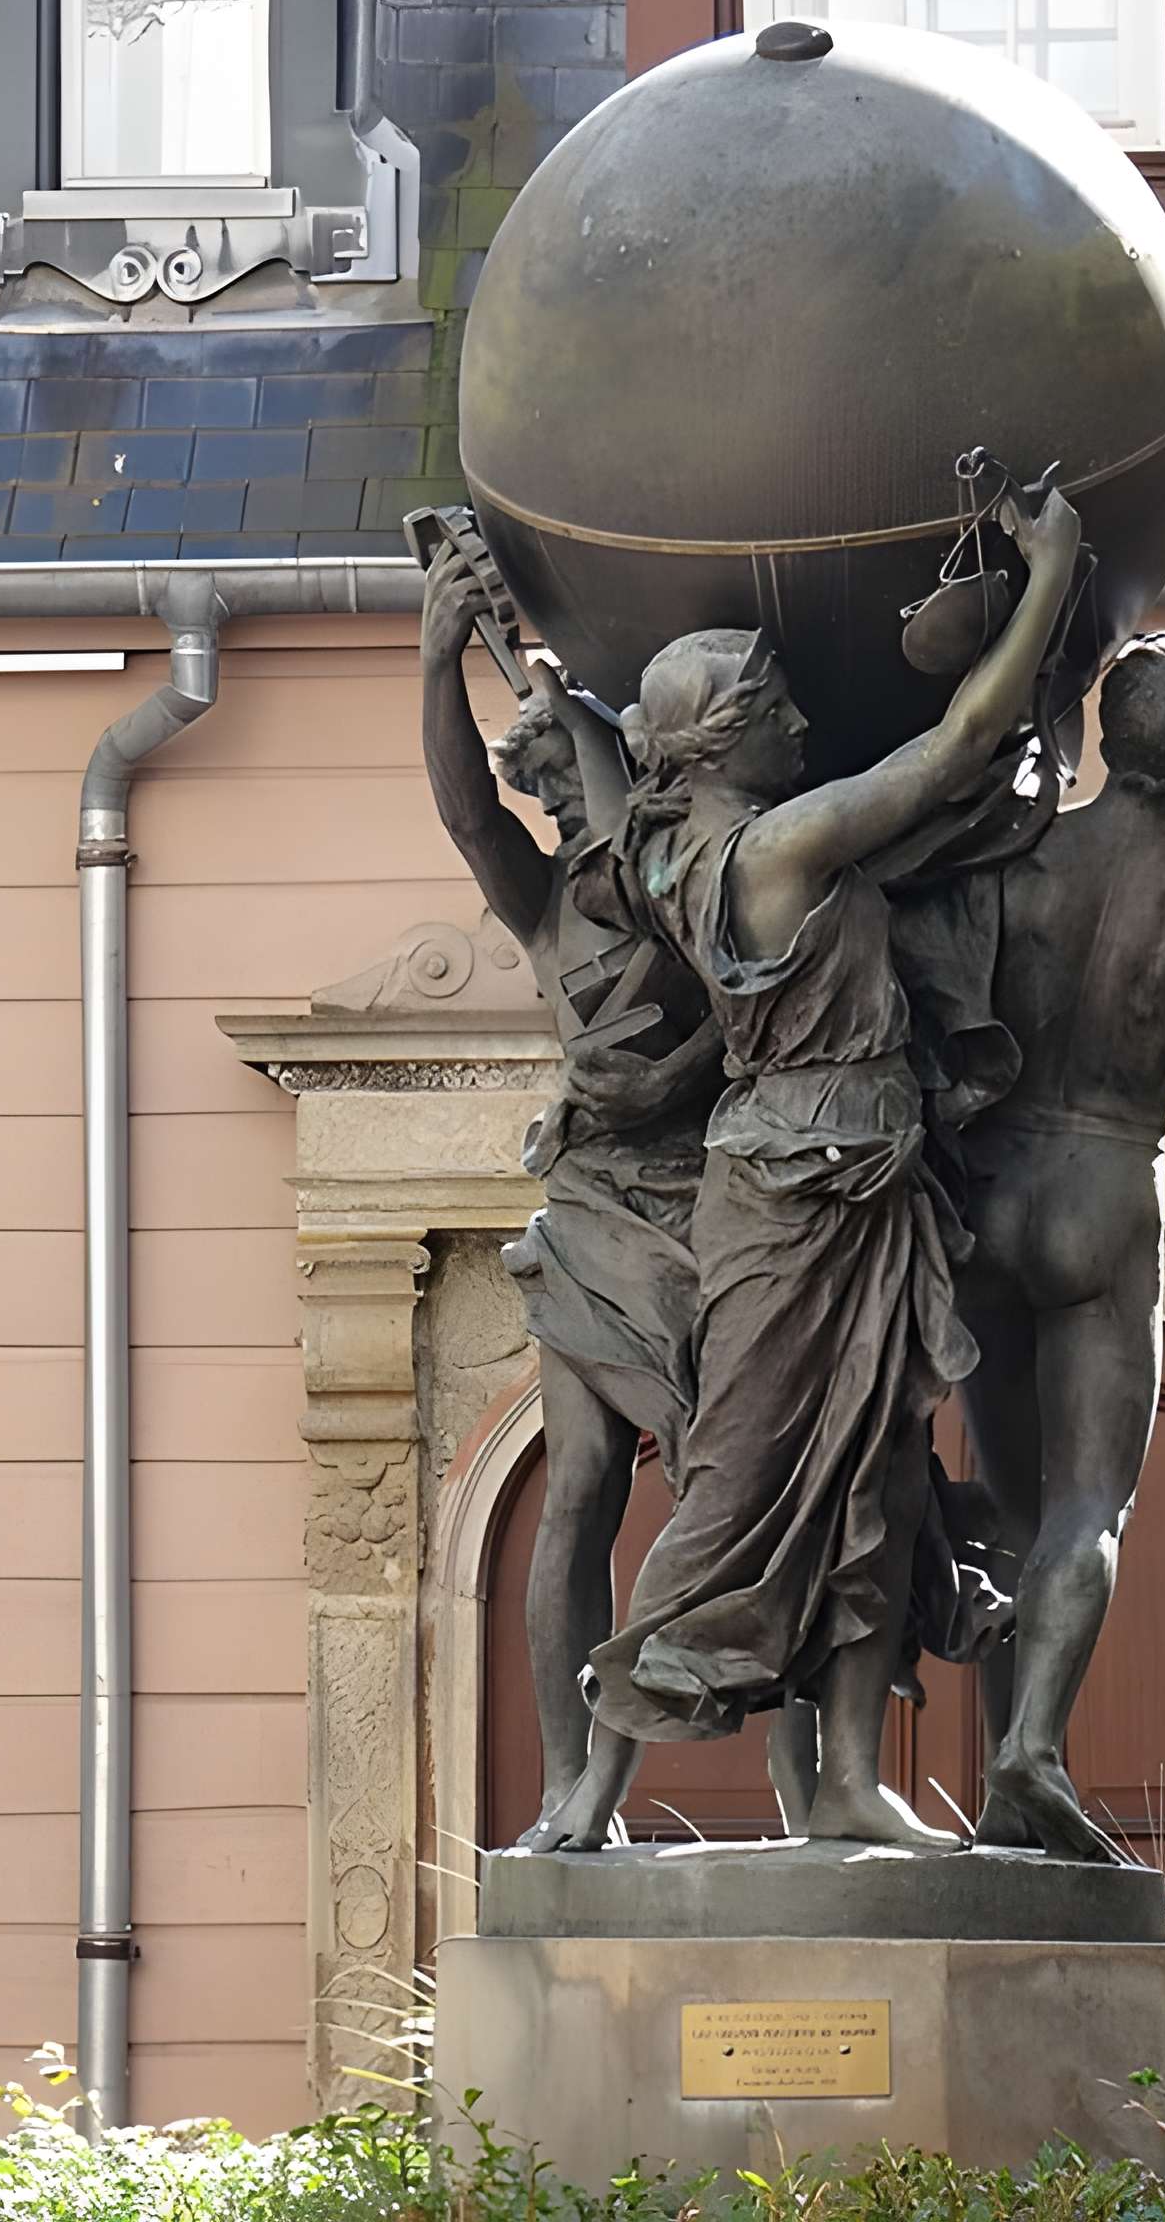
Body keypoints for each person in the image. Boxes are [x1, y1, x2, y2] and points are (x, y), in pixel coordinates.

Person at [525, 478, 1083, 1854]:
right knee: (743, 1486)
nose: (798, 718)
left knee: (876, 1475)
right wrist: (1057, 571)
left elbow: (618, 785)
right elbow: (954, 749)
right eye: (773, 705)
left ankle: (847, 1779)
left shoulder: (668, 845)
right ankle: (596, 1783)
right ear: (720, 741)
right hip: (794, 1193)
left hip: (864, 1179)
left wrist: (569, 699)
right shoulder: (774, 845)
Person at [419, 541, 731, 1837]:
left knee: (766, 1489)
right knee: (583, 1486)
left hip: (727, 1214)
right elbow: (461, 814)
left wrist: (554, 672)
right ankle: (573, 1784)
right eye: (535, 768)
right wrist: (442, 653)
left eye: (560, 759)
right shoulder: (552, 912)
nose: (545, 785)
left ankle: (818, 1784)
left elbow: (744, 1014)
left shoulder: (688, 886)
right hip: (597, 1212)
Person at [951, 630, 1165, 1860]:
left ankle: (1008, 1782)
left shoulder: (1017, 865)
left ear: (1112, 725)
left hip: (993, 1178)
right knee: (1090, 1502)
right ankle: (1030, 1750)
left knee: (1014, 1502)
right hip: (1107, 1177)